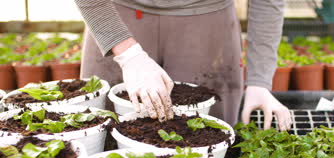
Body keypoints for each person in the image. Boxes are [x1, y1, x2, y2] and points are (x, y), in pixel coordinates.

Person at [75, 0, 292, 130]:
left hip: (208, 23)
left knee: (203, 140)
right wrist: (128, 55)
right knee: (105, 138)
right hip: (117, 16)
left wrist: (259, 81)